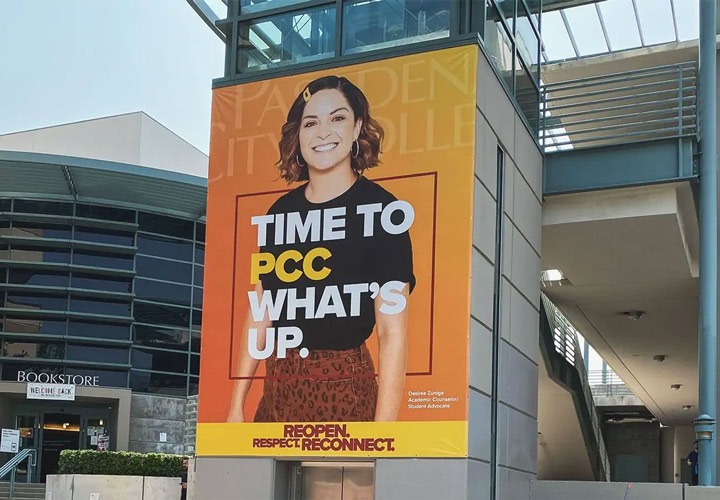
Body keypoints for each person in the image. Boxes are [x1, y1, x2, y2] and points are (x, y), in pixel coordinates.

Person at [227, 75, 415, 423]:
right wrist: (236, 403)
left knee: (338, 480)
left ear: (357, 127)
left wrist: (384, 433)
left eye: (338, 118)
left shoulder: (385, 212)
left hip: (344, 390)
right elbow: (261, 310)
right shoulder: (281, 213)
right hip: (277, 388)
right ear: (297, 135)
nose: (323, 132)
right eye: (311, 122)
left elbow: (392, 333)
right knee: (270, 480)